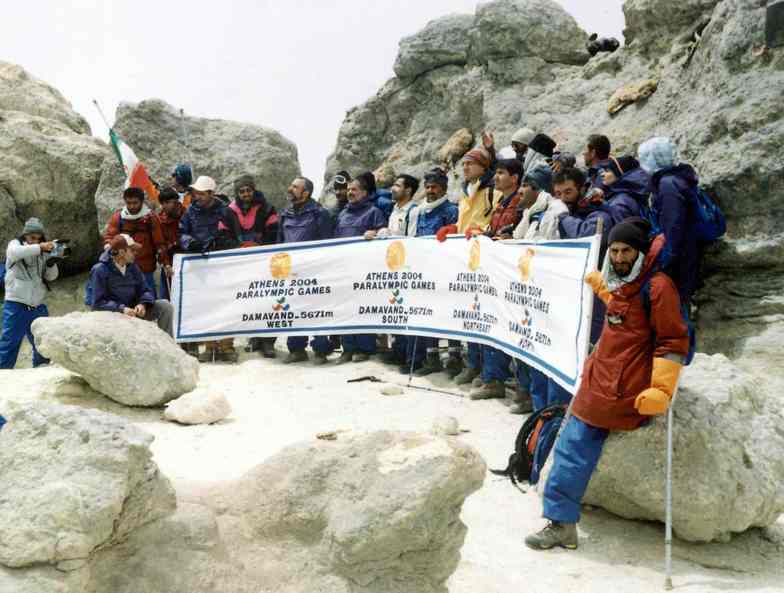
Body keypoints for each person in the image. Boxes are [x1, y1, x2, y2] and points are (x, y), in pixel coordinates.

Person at [525, 218, 689, 550]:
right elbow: (620, 309)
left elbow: (672, 341)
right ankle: (561, 520)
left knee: (574, 447)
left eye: (626, 250)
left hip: (623, 384)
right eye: (613, 250)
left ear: (640, 251)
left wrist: (662, 388)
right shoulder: (622, 279)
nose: (617, 257)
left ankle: (560, 522)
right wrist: (601, 288)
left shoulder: (657, 287)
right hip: (600, 374)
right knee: (570, 443)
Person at [436, 147, 500, 386]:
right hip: (466, 257)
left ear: (483, 166)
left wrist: (482, 232)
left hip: (484, 257)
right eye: (463, 164)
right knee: (470, 314)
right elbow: (463, 221)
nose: (465, 168)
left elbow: (496, 218)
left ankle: (491, 373)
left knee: (485, 314)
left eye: (470, 164)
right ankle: (473, 364)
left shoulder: (491, 191)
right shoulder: (465, 192)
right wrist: (454, 228)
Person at [509, 166, 567, 415]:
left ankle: (547, 411)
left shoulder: (555, 211)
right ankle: (535, 405)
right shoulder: (531, 213)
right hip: (528, 290)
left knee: (544, 352)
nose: (520, 191)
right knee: (528, 347)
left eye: (524, 186)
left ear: (537, 188)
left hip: (548, 293)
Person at [468, 159, 527, 401]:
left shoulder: (519, 202)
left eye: (501, 173)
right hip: (496, 275)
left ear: (515, 177)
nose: (496, 177)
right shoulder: (501, 202)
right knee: (493, 324)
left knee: (516, 328)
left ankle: (522, 389)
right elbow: (496, 232)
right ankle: (493, 379)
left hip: (515, 276)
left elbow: (517, 234)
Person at [179, 175, 242, 362]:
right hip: (200, 265)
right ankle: (209, 345)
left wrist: (225, 244)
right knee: (205, 304)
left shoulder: (226, 211)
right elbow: (182, 232)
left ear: (211, 193)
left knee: (226, 303)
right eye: (195, 192)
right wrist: (190, 243)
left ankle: (226, 345)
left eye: (200, 193)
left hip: (223, 266)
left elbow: (237, 238)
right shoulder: (190, 211)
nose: (196, 196)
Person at [410, 168, 462, 377]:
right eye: (428, 187)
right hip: (425, 271)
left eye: (434, 187)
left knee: (449, 312)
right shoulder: (421, 211)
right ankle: (432, 358)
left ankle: (455, 358)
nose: (430, 191)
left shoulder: (451, 210)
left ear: (443, 189)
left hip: (446, 270)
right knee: (427, 313)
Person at [277, 176, 335, 364]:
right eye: (291, 185)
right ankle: (296, 349)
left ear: (306, 193)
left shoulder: (320, 213)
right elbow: (279, 242)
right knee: (293, 309)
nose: (290, 188)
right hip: (290, 272)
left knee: (316, 310)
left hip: (314, 272)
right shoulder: (284, 213)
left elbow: (327, 244)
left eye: (294, 187)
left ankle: (320, 351)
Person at [637, 137, 701, 305]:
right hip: (683, 250)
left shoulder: (668, 185)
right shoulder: (671, 179)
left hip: (679, 256)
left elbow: (673, 225)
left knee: (677, 303)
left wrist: (665, 262)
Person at [334, 175, 387, 363]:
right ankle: (347, 348)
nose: (350, 192)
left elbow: (384, 236)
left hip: (365, 269)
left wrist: (376, 233)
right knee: (346, 309)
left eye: (354, 189)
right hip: (344, 269)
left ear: (364, 193)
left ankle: (365, 349)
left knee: (362, 308)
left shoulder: (374, 212)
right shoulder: (342, 214)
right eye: (348, 189)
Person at [230, 174, 280, 358]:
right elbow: (223, 232)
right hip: (241, 262)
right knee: (250, 300)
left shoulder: (267, 208)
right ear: (237, 193)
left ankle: (268, 341)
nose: (245, 194)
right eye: (241, 191)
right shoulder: (230, 210)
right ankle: (254, 338)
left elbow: (274, 231)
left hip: (264, 261)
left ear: (253, 189)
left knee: (268, 299)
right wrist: (238, 246)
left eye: (248, 190)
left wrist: (259, 246)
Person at [0, 217, 59, 368]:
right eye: (32, 237)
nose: (35, 240)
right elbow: (14, 253)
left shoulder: (41, 251)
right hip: (16, 305)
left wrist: (51, 263)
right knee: (9, 344)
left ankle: (40, 373)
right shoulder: (16, 244)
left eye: (38, 238)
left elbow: (51, 277)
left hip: (37, 305)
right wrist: (40, 247)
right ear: (25, 235)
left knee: (42, 345)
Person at [91, 234, 174, 337]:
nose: (136, 253)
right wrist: (122, 309)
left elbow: (145, 290)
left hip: (133, 312)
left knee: (165, 306)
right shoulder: (99, 270)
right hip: (114, 316)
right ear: (122, 252)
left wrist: (143, 304)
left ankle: (168, 344)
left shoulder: (133, 267)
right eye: (132, 250)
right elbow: (97, 304)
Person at [103, 187, 167, 297]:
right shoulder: (118, 218)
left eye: (135, 203)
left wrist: (165, 261)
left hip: (145, 268)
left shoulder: (151, 218)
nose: (132, 206)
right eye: (129, 203)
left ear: (142, 202)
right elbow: (109, 237)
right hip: (124, 268)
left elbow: (159, 243)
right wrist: (110, 248)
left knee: (149, 299)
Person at [600, 156, 650, 225]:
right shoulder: (639, 188)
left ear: (620, 174)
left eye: (608, 171)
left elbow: (626, 233)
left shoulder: (618, 204)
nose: (602, 174)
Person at [157, 187, 184, 301]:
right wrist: (166, 263)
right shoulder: (160, 220)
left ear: (176, 201)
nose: (164, 206)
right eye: (163, 203)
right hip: (169, 261)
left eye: (168, 202)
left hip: (185, 259)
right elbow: (160, 243)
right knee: (166, 297)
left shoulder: (187, 214)